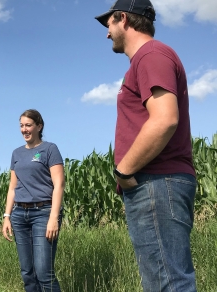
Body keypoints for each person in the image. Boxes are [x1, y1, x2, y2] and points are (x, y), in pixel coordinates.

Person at [95, 1, 197, 291]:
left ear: (123, 18)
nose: (107, 34)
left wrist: (123, 172)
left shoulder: (151, 55)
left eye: (109, 25)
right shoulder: (148, 59)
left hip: (156, 182)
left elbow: (165, 119)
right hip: (157, 184)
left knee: (168, 283)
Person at [2, 109, 65, 292]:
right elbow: (12, 187)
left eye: (28, 125)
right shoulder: (16, 153)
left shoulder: (49, 149)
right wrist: (7, 216)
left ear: (39, 126)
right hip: (19, 215)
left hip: (43, 213)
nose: (24, 129)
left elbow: (59, 184)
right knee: (28, 273)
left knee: (44, 272)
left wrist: (54, 218)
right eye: (21, 126)